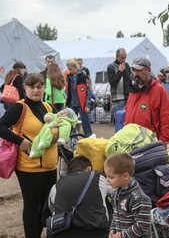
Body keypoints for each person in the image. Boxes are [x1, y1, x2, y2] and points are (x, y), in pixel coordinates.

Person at [0, 73, 57, 238]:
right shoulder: (19, 107)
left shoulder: (48, 107)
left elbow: (61, 122)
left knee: (47, 207)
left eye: (39, 87)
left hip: (50, 165)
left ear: (44, 88)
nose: (35, 91)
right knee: (32, 207)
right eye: (32, 87)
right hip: (29, 167)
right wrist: (20, 141)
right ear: (25, 88)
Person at [44, 156, 111, 238]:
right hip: (96, 231)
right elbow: (116, 192)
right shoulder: (98, 178)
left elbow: (51, 209)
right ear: (89, 169)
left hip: (62, 232)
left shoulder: (56, 185)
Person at [123, 57, 169, 148]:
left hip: (151, 147)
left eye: (139, 70)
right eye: (134, 70)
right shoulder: (133, 92)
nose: (136, 74)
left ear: (148, 70)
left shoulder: (159, 90)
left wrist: (164, 143)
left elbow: (167, 120)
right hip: (130, 145)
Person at [104, 152, 152, 238]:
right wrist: (113, 229)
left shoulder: (139, 198)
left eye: (111, 177)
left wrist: (122, 235)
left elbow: (143, 225)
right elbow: (116, 214)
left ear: (125, 176)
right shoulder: (116, 193)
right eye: (106, 176)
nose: (107, 180)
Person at [65, 59, 94, 137]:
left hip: (82, 104)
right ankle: (73, 139)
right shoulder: (69, 77)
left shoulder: (83, 76)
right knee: (72, 122)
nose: (69, 71)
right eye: (68, 69)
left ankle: (89, 138)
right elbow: (68, 91)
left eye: (71, 69)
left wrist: (88, 104)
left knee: (85, 123)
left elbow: (88, 91)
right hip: (72, 104)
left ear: (75, 67)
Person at [107, 48, 133, 115]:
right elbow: (113, 83)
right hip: (118, 99)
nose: (123, 60)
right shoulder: (111, 67)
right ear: (117, 57)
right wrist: (120, 71)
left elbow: (129, 80)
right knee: (120, 121)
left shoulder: (126, 65)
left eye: (125, 57)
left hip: (128, 97)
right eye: (122, 58)